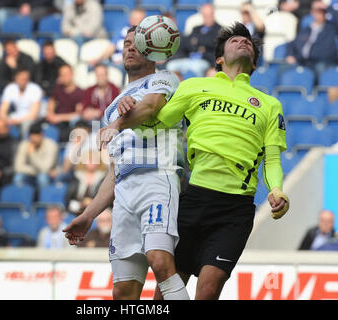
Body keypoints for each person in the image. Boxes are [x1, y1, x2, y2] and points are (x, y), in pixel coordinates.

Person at [101, 22, 290, 300]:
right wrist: (125, 115)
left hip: (235, 208)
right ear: (219, 58)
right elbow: (156, 122)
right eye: (235, 39)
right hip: (193, 198)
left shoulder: (270, 105)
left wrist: (276, 189)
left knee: (209, 288)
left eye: (248, 41)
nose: (243, 41)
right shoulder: (193, 87)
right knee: (166, 291)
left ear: (254, 63)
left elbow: (271, 158)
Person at [64, 26, 190, 300]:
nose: (130, 48)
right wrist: (88, 215)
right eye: (126, 44)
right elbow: (113, 172)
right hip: (123, 195)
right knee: (123, 290)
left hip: (158, 179)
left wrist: (119, 123)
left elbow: (151, 107)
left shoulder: (164, 79)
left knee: (160, 261)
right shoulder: (111, 108)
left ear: (153, 49)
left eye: (137, 43)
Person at [166, 3, 222, 77]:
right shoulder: (196, 29)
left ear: (213, 14)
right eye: (205, 15)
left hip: (205, 60)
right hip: (189, 58)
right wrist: (202, 46)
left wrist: (197, 42)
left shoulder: (219, 30)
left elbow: (213, 44)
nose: (207, 17)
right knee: (171, 66)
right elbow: (187, 43)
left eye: (209, 15)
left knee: (197, 68)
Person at [285, 0, 338, 78]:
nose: (318, 13)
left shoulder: (331, 28)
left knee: (321, 68)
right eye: (316, 10)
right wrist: (290, 55)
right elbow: (293, 44)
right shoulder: (306, 29)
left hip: (321, 62)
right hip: (302, 61)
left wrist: (327, 8)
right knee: (284, 69)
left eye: (321, 11)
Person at [0, 67, 43, 139]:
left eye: (26, 79)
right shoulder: (10, 88)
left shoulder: (35, 89)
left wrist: (17, 121)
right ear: (15, 78)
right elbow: (2, 110)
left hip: (31, 119)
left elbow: (33, 115)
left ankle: (23, 145)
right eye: (21, 79)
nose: (23, 81)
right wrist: (6, 119)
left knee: (26, 124)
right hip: (16, 116)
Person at [13, 121, 58, 189]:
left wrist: (32, 154)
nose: (34, 139)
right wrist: (37, 170)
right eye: (32, 136)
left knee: (42, 178)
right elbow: (18, 167)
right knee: (18, 178)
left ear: (42, 135)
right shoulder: (24, 145)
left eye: (37, 136)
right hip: (31, 174)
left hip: (48, 176)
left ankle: (43, 198)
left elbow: (46, 168)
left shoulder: (51, 145)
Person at [45, 64, 84, 142]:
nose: (65, 77)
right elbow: (51, 103)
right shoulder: (58, 88)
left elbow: (78, 114)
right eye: (62, 75)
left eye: (67, 74)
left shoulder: (79, 93)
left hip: (68, 123)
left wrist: (59, 117)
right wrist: (50, 114)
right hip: (56, 121)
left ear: (72, 74)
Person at [65, 150, 107, 215]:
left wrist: (91, 202)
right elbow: (69, 197)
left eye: (94, 160)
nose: (91, 162)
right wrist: (81, 203)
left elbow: (105, 197)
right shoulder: (76, 177)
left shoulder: (104, 178)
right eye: (89, 160)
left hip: (97, 209)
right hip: (77, 208)